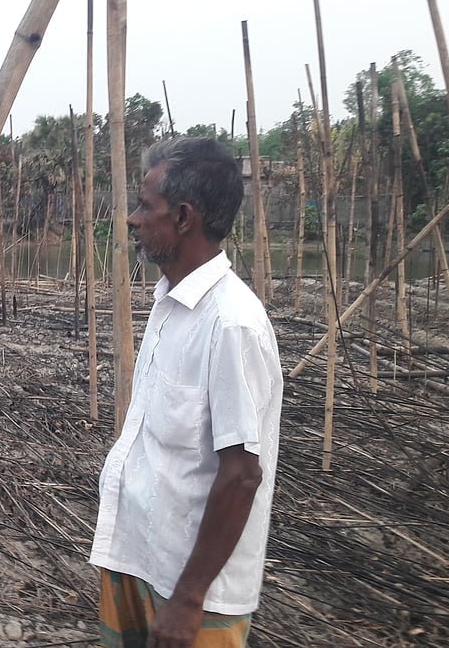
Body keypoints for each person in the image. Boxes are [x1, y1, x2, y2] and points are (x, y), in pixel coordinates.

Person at [88, 137, 283, 647]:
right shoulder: (168, 305)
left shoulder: (231, 324)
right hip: (136, 558)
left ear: (182, 217)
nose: (132, 219)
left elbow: (241, 476)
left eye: (144, 206)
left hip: (191, 590)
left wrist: (189, 597)